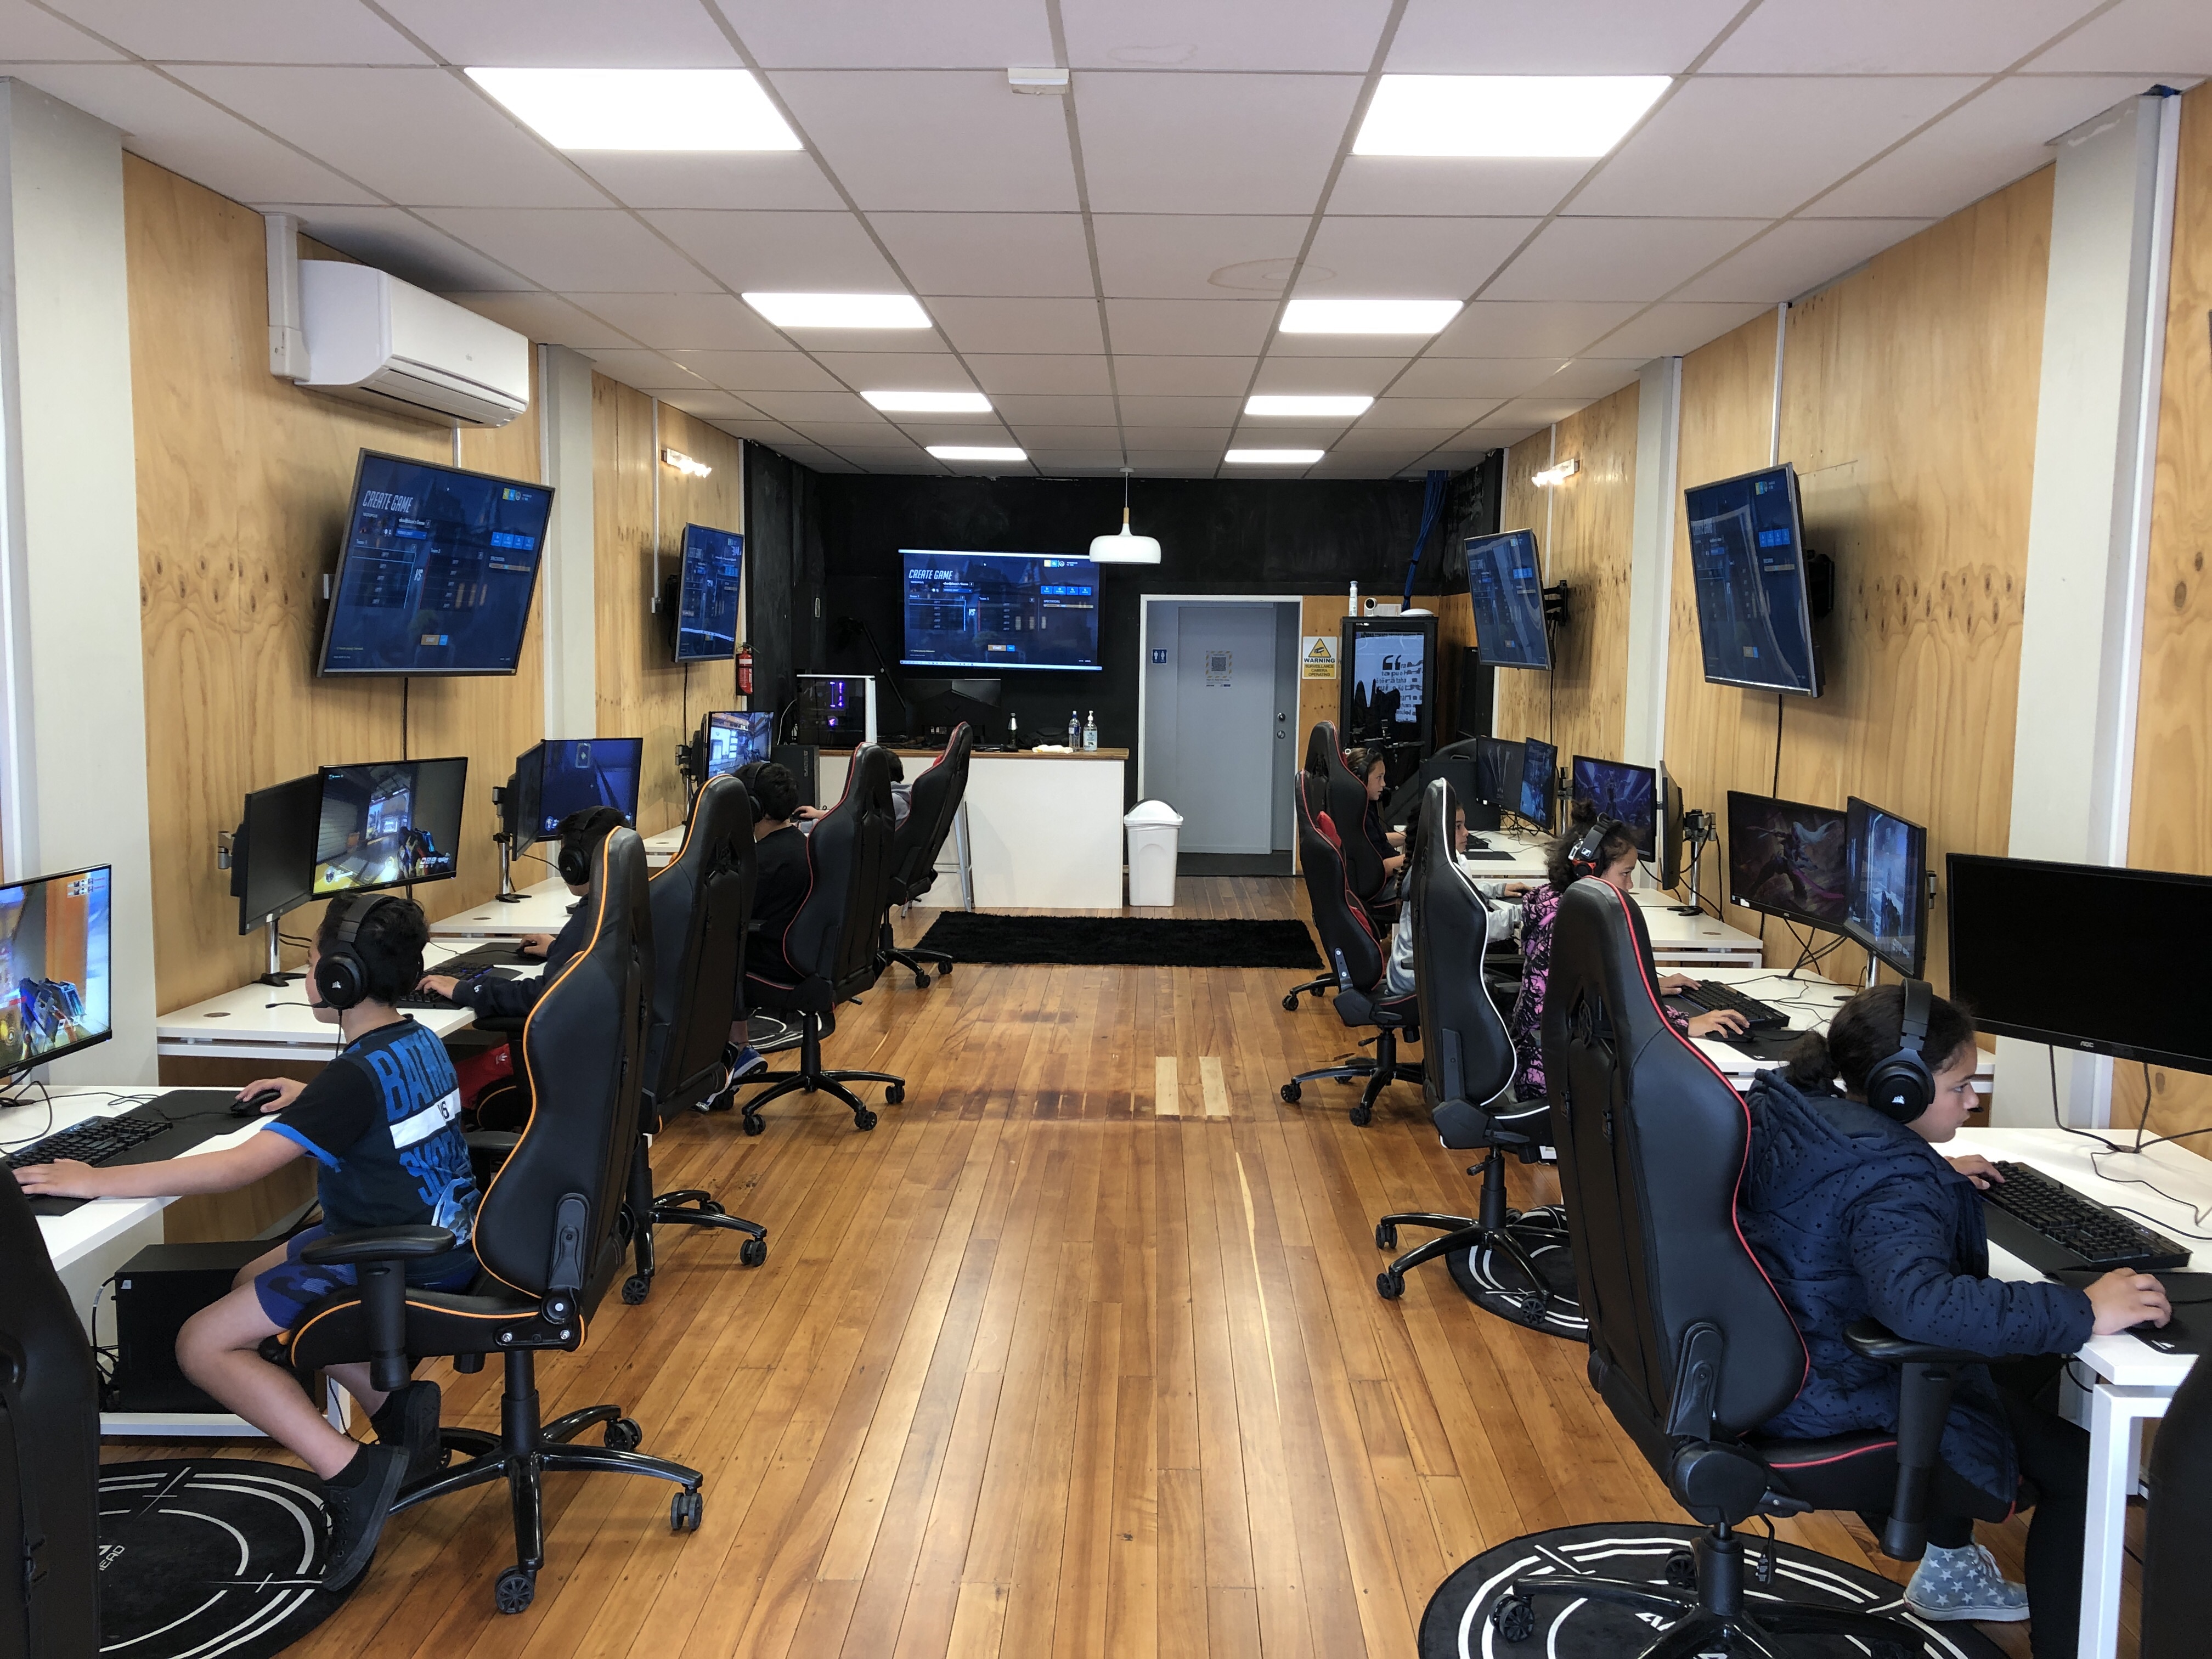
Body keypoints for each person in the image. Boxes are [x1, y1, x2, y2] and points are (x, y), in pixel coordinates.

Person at [14, 894, 484, 1592]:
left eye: (313, 960)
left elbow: (234, 1170)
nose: (309, 972)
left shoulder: (351, 1080)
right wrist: (310, 1099)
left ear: (342, 977)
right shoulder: (415, 1040)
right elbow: (372, 1107)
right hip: (443, 1239)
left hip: (392, 1254)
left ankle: (352, 1472)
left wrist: (94, 1180)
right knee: (248, 1282)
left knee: (201, 1344)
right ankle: (398, 1409)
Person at [1740, 984, 2169, 1653]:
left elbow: (1847, 1195)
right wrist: (2087, 1309)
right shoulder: (1892, 1179)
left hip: (1775, 1365)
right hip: (1837, 1395)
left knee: (2025, 1365)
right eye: (1960, 1086)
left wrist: (1928, 1171)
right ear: (1900, 1092)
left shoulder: (1803, 1114)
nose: (1974, 1101)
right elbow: (1925, 1306)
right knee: (2087, 1472)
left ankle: (1950, 1568)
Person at [1508, 804, 1746, 1098]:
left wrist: (1647, 985)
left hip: (1540, 1057)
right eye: (1626, 874)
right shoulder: (1576, 925)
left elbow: (1585, 988)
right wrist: (1686, 1024)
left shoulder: (1553, 903)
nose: (1630, 885)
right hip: (1554, 1078)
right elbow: (1618, 1010)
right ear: (1587, 870)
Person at [744, 761, 810, 985]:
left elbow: (724, 915)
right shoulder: (803, 844)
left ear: (753, 807)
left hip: (769, 966)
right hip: (798, 960)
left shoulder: (760, 861)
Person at [1344, 746, 1406, 887]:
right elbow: (1380, 868)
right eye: (1379, 777)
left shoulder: (1361, 807)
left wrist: (1408, 837)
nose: (1383, 784)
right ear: (1361, 779)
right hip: (1381, 886)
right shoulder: (1358, 817)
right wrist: (1416, 857)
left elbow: (1377, 840)